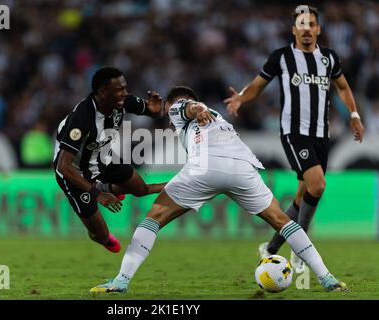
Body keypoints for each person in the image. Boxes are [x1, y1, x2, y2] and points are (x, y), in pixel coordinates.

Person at [90, 86, 347, 294]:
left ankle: (121, 281)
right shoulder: (219, 118)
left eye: (168, 109)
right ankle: (327, 278)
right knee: (282, 221)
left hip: (204, 168)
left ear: (172, 103)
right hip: (241, 169)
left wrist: (196, 108)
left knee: (152, 220)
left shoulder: (180, 106)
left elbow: (190, 107)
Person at [224, 5, 365, 273]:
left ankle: (271, 248)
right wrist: (241, 96)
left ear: (318, 29)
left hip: (322, 135)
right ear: (294, 30)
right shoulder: (281, 57)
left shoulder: (329, 59)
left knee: (303, 195)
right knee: (318, 185)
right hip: (294, 133)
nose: (307, 29)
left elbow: (343, 87)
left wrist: (355, 114)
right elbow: (258, 84)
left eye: (311, 24)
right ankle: (302, 248)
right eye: (302, 24)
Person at [53, 66, 166, 253]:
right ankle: (101, 219)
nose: (125, 93)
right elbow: (63, 166)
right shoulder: (82, 119)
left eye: (125, 88)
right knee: (102, 236)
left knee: (141, 189)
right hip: (74, 172)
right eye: (120, 89)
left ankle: (108, 186)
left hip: (103, 159)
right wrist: (97, 194)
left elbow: (153, 110)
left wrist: (155, 110)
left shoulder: (121, 102)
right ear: (103, 92)